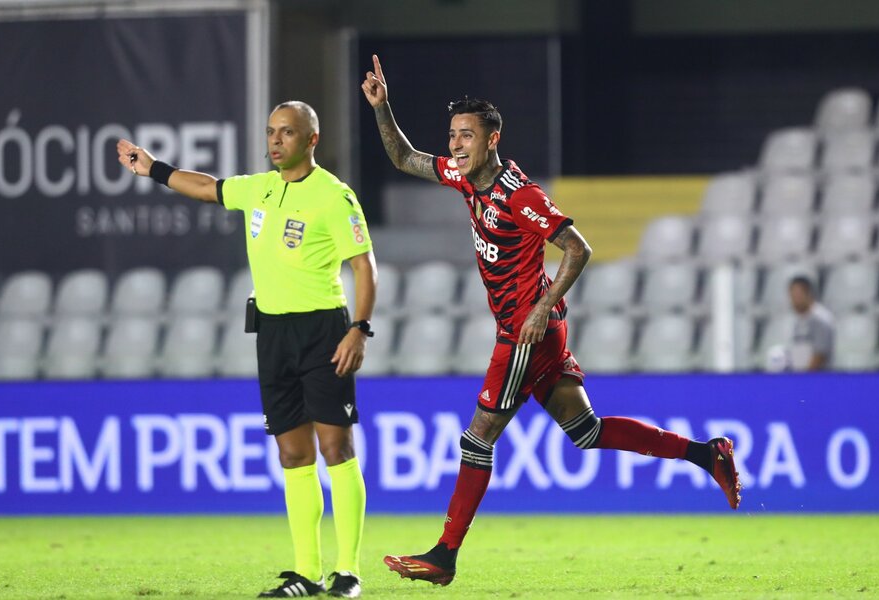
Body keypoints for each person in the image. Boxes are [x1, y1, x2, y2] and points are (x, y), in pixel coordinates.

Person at [361, 55, 741, 587]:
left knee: (478, 439)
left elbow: (577, 249)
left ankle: (444, 555)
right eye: (452, 136)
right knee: (585, 432)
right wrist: (382, 107)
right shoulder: (464, 177)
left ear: (492, 139)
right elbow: (403, 157)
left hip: (525, 332)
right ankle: (707, 454)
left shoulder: (521, 195)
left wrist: (540, 308)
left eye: (466, 136)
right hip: (537, 326)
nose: (454, 146)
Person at [117, 101, 374, 598]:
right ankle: (306, 573)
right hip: (273, 335)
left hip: (323, 331)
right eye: (271, 132)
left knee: (336, 448)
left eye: (287, 133)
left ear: (311, 139)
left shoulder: (334, 197)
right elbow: (207, 188)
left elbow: (365, 267)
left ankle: (348, 570)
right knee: (292, 453)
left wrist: (359, 329)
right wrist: (153, 169)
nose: (275, 141)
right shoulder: (258, 188)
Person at [787, 274, 834, 371]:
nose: (794, 300)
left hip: (817, 379)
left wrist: (806, 377)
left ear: (808, 293)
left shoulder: (820, 318)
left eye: (797, 295)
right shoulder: (798, 319)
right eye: (792, 296)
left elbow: (820, 353)